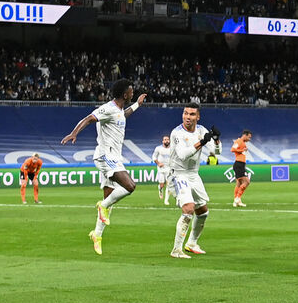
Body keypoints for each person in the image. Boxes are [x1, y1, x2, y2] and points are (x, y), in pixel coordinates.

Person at [61, 79, 147, 256]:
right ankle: (102, 206)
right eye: (131, 92)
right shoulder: (108, 108)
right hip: (105, 156)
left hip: (114, 157)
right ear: (124, 94)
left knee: (110, 199)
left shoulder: (119, 111)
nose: (132, 93)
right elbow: (89, 118)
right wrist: (74, 133)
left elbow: (124, 115)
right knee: (130, 186)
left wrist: (137, 105)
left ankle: (97, 235)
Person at [168, 104, 221, 257]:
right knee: (188, 208)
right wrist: (202, 143)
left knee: (203, 211)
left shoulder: (201, 130)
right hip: (178, 174)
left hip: (193, 174)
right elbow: (183, 155)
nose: (187, 117)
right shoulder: (177, 133)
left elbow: (216, 152)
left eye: (191, 114)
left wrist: (216, 140)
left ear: (198, 117)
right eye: (185, 113)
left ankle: (191, 243)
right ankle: (176, 250)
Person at [231, 129, 252, 207]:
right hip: (239, 164)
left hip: (240, 164)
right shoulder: (238, 141)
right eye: (249, 137)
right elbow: (232, 149)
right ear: (245, 135)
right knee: (247, 182)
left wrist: (243, 150)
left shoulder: (243, 143)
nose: (249, 139)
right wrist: (242, 150)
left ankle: (236, 201)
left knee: (239, 183)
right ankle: (237, 198)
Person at [152, 135, 173, 205]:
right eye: (165, 139)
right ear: (162, 141)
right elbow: (154, 157)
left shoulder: (172, 148)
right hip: (161, 169)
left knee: (169, 184)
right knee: (162, 185)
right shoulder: (158, 148)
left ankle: (166, 200)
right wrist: (158, 163)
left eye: (168, 139)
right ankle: (160, 189)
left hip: (169, 168)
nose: (166, 141)